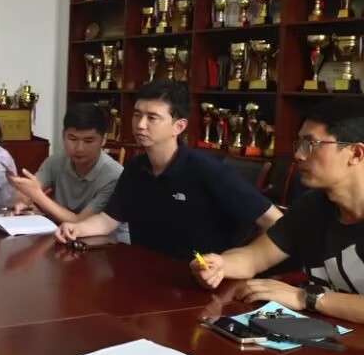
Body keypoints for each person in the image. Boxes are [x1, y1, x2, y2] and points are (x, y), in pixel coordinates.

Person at [56, 80, 281, 259]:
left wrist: (244, 262)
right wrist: (77, 229)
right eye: (137, 115)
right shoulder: (135, 169)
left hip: (198, 283)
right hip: (145, 276)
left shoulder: (208, 171)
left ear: (178, 126)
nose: (140, 125)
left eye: (152, 118)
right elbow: (109, 220)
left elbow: (277, 223)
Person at [192, 99, 364, 323]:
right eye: (299, 143)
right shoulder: (313, 205)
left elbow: (303, 298)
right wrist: (219, 265)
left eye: (311, 144)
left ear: (356, 153)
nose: (299, 155)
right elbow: (255, 257)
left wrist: (306, 298)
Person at [9, 102, 124, 226]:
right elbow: (27, 191)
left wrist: (37, 196)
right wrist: (23, 203)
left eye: (88, 141)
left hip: (103, 237)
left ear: (104, 140)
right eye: (72, 139)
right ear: (63, 135)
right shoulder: (55, 162)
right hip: (62, 232)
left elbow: (81, 222)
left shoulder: (114, 176)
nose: (79, 148)